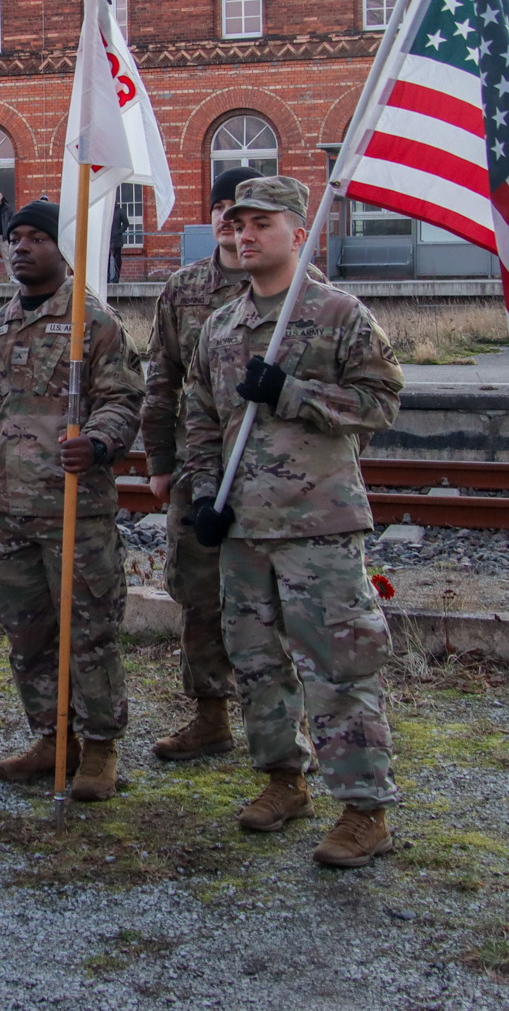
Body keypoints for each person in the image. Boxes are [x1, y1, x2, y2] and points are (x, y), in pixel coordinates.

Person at [178, 176, 405, 868]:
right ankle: (285, 777)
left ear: (299, 234)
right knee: (256, 663)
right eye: (238, 223)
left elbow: (382, 400)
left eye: (263, 224)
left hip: (318, 524)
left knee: (340, 666)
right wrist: (206, 497)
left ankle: (364, 809)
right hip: (245, 530)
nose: (245, 235)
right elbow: (200, 416)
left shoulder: (336, 313)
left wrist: (294, 392)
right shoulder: (220, 326)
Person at [143, 165, 323, 763]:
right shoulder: (185, 290)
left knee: (276, 608)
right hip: (200, 472)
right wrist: (162, 462)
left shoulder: (308, 293)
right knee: (198, 594)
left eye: (247, 214)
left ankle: (283, 733)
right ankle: (210, 715)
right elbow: (164, 380)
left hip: (280, 483)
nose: (231, 222)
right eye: (224, 208)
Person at [0, 200, 144, 801]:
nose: (21, 246)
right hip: (8, 510)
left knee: (89, 632)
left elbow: (124, 399)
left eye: (36, 238)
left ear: (62, 247)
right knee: (28, 634)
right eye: (14, 237)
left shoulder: (92, 322)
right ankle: (50, 736)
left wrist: (98, 442)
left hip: (75, 509)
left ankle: (99, 748)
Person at [107, 198, 130, 284]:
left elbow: (126, 224)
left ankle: (117, 276)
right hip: (108, 239)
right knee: (107, 258)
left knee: (117, 258)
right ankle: (107, 277)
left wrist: (118, 232)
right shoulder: (107, 212)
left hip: (117, 239)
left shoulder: (120, 211)